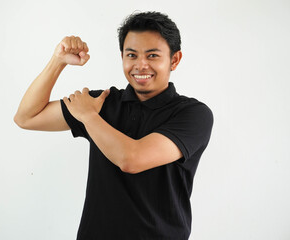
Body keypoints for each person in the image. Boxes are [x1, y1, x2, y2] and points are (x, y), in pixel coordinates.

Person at [14, 11, 213, 240]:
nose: (140, 65)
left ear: (174, 60)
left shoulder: (193, 114)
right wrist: (57, 62)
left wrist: (89, 117)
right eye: (131, 55)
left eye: (152, 56)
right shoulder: (103, 103)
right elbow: (26, 117)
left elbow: (132, 159)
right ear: (122, 57)